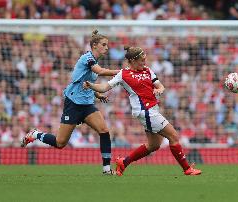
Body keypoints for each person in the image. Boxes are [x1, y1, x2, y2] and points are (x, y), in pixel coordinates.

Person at [83, 45, 202, 176]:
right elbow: (105, 87)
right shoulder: (123, 74)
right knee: (173, 135)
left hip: (153, 110)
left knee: (154, 145)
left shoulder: (148, 71)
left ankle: (124, 162)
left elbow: (160, 85)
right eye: (141, 60)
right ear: (133, 61)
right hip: (145, 111)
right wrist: (92, 86)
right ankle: (187, 169)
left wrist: (159, 89)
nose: (144, 62)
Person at [21, 30, 120, 174]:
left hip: (87, 105)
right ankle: (36, 134)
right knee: (60, 143)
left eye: (107, 45)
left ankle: (106, 169)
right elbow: (101, 71)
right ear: (94, 45)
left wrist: (98, 94)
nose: (106, 47)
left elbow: (86, 84)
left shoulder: (95, 61)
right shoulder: (88, 58)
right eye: (104, 45)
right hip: (73, 104)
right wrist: (123, 72)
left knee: (104, 131)